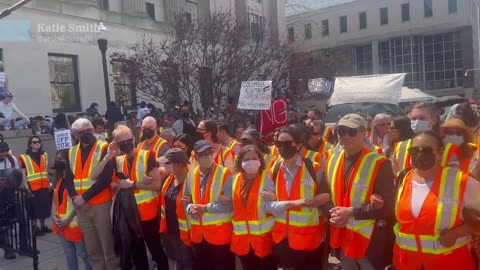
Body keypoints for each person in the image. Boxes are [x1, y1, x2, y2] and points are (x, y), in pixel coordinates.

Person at [393, 131, 480, 269]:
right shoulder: (403, 179)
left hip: (450, 263)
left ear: (440, 153)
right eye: (414, 150)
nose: (420, 155)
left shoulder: (461, 181)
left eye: (427, 150)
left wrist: (459, 232)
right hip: (407, 263)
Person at [327, 113, 396, 270]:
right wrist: (334, 214)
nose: (345, 136)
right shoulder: (333, 159)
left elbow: (388, 206)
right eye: (341, 131)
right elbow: (331, 195)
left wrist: (351, 212)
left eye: (351, 132)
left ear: (364, 133)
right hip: (343, 237)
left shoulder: (379, 163)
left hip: (370, 242)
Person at [265, 126, 331, 270]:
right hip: (283, 240)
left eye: (288, 143)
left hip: (310, 242)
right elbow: (266, 206)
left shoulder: (314, 169)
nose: (283, 147)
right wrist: (291, 203)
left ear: (299, 145)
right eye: (279, 144)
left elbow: (327, 197)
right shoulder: (273, 171)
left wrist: (317, 201)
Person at [107, 125, 168, 270]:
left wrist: (133, 184)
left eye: (127, 140)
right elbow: (111, 183)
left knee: (156, 251)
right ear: (116, 144)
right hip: (129, 216)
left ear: (133, 139)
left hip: (148, 215)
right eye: (121, 142)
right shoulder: (117, 160)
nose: (125, 144)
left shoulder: (146, 156)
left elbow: (157, 185)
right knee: (138, 254)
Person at [64, 118, 119, 270]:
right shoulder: (71, 151)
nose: (88, 133)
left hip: (101, 204)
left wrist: (83, 198)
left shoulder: (103, 147)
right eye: (83, 132)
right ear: (76, 135)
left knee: (108, 247)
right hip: (81, 207)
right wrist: (76, 198)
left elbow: (106, 179)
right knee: (92, 250)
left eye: (89, 130)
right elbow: (68, 178)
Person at [183, 140, 234, 270]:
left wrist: (204, 208)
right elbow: (186, 200)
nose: (208, 157)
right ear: (195, 157)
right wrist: (190, 208)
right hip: (198, 237)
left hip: (220, 237)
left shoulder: (225, 173)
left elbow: (229, 205)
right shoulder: (191, 175)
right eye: (203, 155)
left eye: (209, 153)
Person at [231, 145, 277, 270]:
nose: (250, 161)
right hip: (242, 241)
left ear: (260, 160)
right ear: (240, 162)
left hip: (264, 241)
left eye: (254, 158)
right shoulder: (234, 180)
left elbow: (280, 201)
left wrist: (274, 197)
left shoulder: (269, 177)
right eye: (246, 159)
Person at [51, 150, 94, 270]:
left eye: (61, 159)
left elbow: (78, 203)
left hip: (74, 224)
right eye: (57, 159)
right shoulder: (58, 179)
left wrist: (68, 220)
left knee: (84, 254)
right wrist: (53, 216)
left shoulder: (74, 180)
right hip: (60, 224)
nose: (58, 161)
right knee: (69, 254)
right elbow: (54, 200)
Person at [158, 148, 194, 270]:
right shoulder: (170, 179)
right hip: (170, 232)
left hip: (186, 235)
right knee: (176, 262)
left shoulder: (193, 182)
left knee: (187, 263)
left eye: (167, 163)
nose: (164, 166)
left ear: (178, 164)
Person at [19, 136, 52, 236]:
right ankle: (35, 227)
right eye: (34, 142)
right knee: (34, 208)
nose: (37, 143)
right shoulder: (25, 157)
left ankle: (43, 226)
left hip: (44, 185)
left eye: (38, 142)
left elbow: (46, 170)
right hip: (32, 187)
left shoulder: (44, 155)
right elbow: (23, 174)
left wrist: (49, 183)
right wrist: (26, 187)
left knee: (44, 207)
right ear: (30, 144)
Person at [0, 141, 20, 259]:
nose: (4, 154)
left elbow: (17, 174)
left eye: (5, 151)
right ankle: (8, 250)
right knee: (2, 226)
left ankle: (24, 245)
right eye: (1, 152)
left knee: (17, 219)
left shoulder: (12, 159)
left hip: (10, 195)